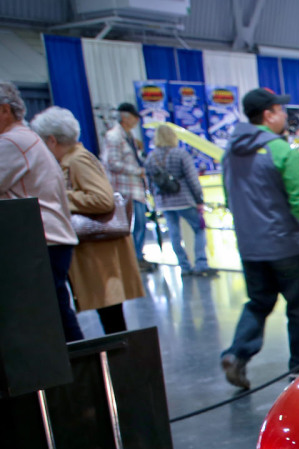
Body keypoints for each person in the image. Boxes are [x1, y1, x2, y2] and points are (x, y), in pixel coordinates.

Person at [219, 88, 299, 390]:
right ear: (268, 115)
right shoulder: (282, 151)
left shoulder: (229, 153)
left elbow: (230, 198)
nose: (285, 116)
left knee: (258, 302)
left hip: (250, 246)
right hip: (284, 245)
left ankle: (236, 353)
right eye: (281, 111)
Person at [31, 106, 144, 334]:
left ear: (51, 140)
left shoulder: (77, 160)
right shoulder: (73, 159)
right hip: (95, 253)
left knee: (112, 319)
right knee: (111, 318)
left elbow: (102, 199)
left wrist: (60, 196)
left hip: (99, 254)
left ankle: (120, 366)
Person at [0, 82, 84, 341]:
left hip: (39, 241)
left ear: (4, 110)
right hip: (46, 240)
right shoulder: (26, 139)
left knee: (53, 318)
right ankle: (81, 372)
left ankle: (82, 373)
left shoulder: (13, 142)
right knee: (54, 314)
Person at [145, 124, 209, 275]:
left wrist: (154, 201)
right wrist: (199, 199)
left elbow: (149, 183)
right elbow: (192, 179)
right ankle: (201, 263)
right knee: (199, 228)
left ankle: (184, 266)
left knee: (174, 234)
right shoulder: (180, 154)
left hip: (164, 201)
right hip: (184, 198)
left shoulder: (151, 157)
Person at [103, 101, 150, 268]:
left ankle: (137, 256)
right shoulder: (114, 136)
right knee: (131, 226)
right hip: (124, 190)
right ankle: (131, 260)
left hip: (135, 189)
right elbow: (112, 162)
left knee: (140, 225)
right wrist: (137, 171)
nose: (137, 121)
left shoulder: (129, 137)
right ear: (125, 117)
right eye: (135, 118)